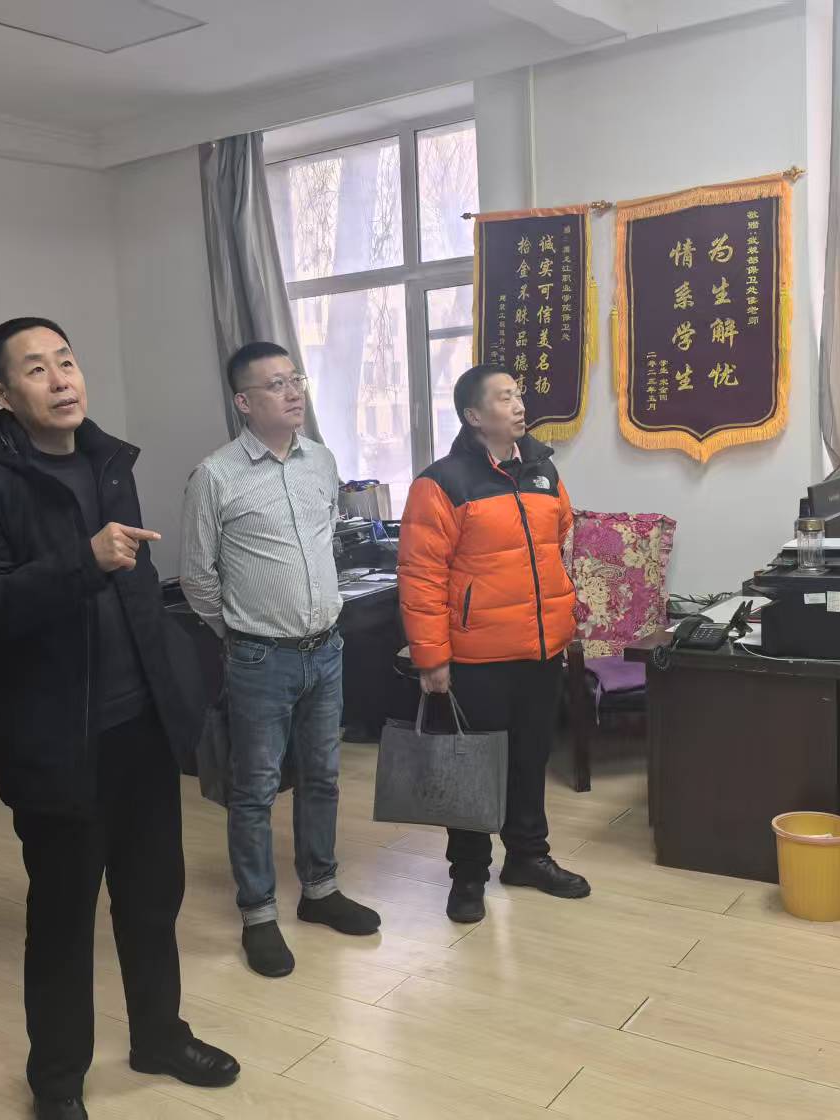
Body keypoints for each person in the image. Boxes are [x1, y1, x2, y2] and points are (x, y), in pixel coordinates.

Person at [0, 318, 238, 1120]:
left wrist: (175, 695)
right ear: (3, 393)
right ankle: (57, 1080)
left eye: (66, 361)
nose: (61, 379)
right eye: (36, 369)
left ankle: (159, 1037)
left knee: (153, 898)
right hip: (57, 741)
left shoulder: (108, 463)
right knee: (63, 919)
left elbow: (136, 594)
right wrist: (84, 560)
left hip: (139, 729)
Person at [181, 341, 380, 979]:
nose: (292, 393)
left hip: (327, 649)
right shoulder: (215, 476)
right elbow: (198, 578)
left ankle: (319, 890)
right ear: (244, 402)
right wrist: (242, 633)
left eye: (296, 380)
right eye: (275, 384)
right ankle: (259, 913)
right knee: (255, 789)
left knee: (323, 777)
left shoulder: (321, 460)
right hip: (259, 657)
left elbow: (325, 541)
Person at [397, 363, 592, 924]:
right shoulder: (442, 482)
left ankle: (528, 857)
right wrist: (431, 658)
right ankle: (468, 875)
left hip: (539, 648)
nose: (519, 405)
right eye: (504, 398)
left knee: (531, 759)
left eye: (519, 395)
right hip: (476, 657)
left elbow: (559, 535)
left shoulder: (542, 470)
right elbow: (420, 575)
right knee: (473, 769)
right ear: (474, 416)